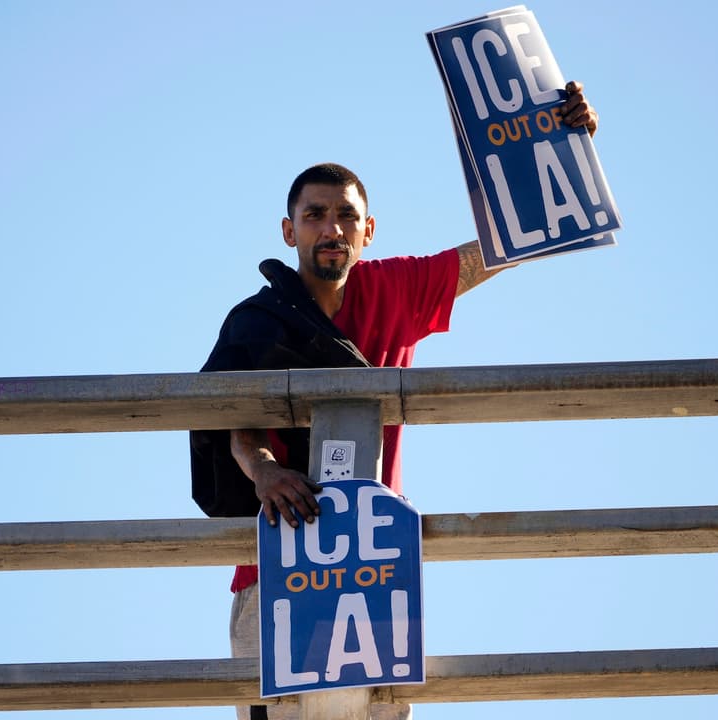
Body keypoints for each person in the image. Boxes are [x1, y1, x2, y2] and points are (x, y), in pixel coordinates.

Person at [189, 83, 598, 720]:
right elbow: (234, 420)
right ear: (289, 230)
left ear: (368, 230)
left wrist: (561, 149)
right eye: (317, 215)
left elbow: (508, 241)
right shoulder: (257, 319)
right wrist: (267, 472)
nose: (332, 229)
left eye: (346, 216)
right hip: (271, 570)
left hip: (373, 569)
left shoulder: (397, 289)